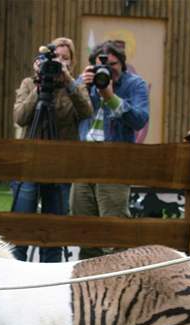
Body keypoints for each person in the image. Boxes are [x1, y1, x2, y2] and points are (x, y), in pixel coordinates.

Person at [11, 36, 92, 263]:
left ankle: (50, 278)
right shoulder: (29, 83)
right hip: (30, 163)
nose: (60, 62)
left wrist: (67, 81)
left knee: (54, 233)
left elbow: (87, 111)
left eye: (66, 59)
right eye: (56, 57)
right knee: (20, 228)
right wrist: (39, 85)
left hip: (60, 167)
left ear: (72, 62)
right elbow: (20, 117)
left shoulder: (75, 87)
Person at [70, 40, 149, 259]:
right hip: (84, 162)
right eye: (101, 65)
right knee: (84, 227)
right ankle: (88, 282)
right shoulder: (85, 82)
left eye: (113, 63)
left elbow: (140, 119)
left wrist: (110, 97)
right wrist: (79, 88)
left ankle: (119, 280)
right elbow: (67, 114)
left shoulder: (135, 85)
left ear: (122, 64)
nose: (107, 69)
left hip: (115, 162)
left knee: (115, 230)